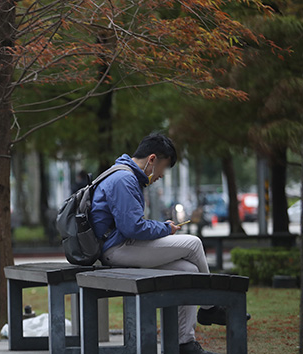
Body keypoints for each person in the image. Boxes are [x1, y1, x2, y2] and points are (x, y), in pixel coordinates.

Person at [89, 133, 249, 354]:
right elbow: (132, 227)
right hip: (116, 250)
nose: (162, 175)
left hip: (120, 246)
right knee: (193, 243)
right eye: (163, 168)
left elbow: (129, 226)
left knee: (189, 270)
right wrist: (165, 228)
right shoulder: (124, 179)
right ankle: (210, 307)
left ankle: (185, 343)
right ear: (152, 159)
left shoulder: (123, 175)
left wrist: (161, 227)